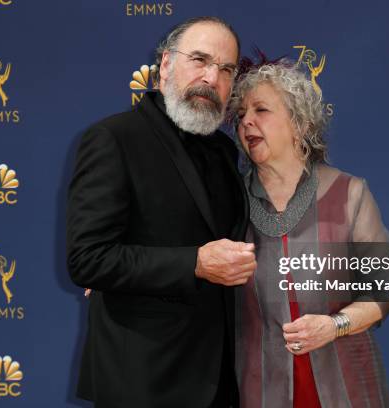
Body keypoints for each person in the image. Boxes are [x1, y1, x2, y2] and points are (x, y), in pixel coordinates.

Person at [66, 17, 256, 407]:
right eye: (199, 60)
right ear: (166, 64)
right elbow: (88, 259)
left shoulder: (224, 153)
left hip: (219, 380)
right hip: (145, 381)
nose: (210, 77)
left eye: (225, 69)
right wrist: (194, 263)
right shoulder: (114, 139)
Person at [231, 60, 389, 407]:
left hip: (347, 386)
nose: (246, 121)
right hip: (259, 389)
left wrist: (335, 325)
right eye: (241, 114)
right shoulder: (226, 201)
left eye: (261, 109)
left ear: (299, 125)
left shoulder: (350, 192)